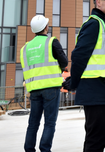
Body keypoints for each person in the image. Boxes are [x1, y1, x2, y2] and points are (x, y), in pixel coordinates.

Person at [65, 0, 105, 151]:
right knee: (97, 138)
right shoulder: (94, 24)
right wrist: (74, 81)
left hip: (98, 88)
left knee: (96, 136)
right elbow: (79, 55)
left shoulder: (102, 24)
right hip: (94, 88)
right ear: (98, 3)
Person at [21, 15, 68, 152]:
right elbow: (64, 62)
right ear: (46, 28)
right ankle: (45, 149)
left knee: (33, 123)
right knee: (50, 122)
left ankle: (29, 149)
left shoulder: (25, 48)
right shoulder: (51, 42)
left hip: (34, 89)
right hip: (51, 88)